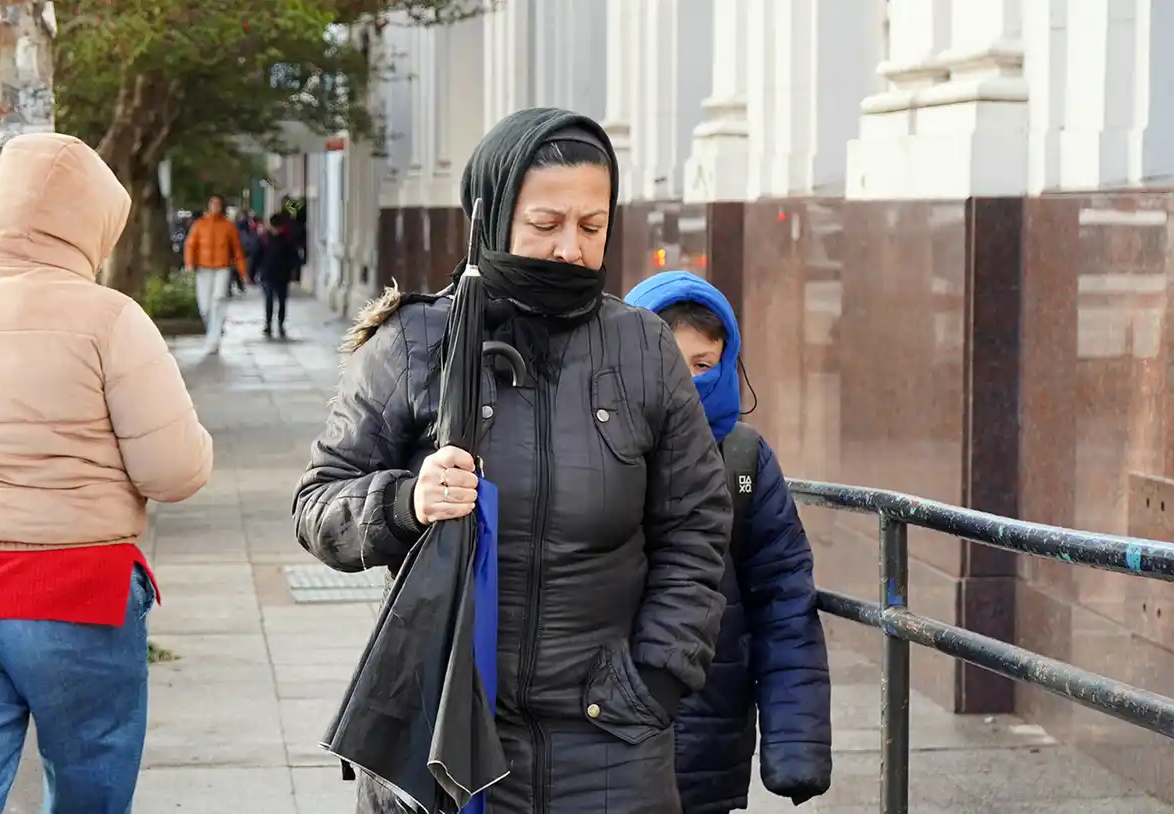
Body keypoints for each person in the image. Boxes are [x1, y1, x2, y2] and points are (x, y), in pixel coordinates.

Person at [292, 108, 733, 813]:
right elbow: (318, 506)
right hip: (447, 732)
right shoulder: (414, 341)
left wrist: (655, 678)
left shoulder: (644, 348)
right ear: (491, 216)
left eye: (592, 226)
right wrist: (405, 501)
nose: (570, 249)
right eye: (546, 223)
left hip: (611, 741)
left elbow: (696, 525)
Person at [0, 133, 215, 814]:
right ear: (93, 223)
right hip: (73, 593)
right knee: (89, 781)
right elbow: (175, 471)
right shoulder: (109, 320)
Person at [624, 270, 832, 814]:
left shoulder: (744, 460)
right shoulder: (594, 449)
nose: (686, 382)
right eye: (669, 362)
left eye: (703, 365)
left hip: (707, 748)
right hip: (601, 739)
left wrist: (798, 745)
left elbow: (784, 602)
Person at [183, 194, 248, 355]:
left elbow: (237, 250)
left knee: (218, 300)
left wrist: (243, 272)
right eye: (212, 203)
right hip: (203, 268)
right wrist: (190, 264)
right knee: (205, 307)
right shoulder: (200, 225)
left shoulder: (228, 226)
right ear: (208, 205)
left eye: (218, 204)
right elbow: (190, 245)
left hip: (222, 268)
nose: (215, 207)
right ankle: (214, 331)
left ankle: (213, 341)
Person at [254, 211, 302, 338]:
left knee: (281, 301)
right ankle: (268, 324)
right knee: (269, 300)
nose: (276, 230)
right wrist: (252, 272)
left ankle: (280, 324)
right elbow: (256, 256)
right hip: (268, 274)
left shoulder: (287, 240)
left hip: (282, 275)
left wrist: (295, 272)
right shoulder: (265, 239)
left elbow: (294, 258)